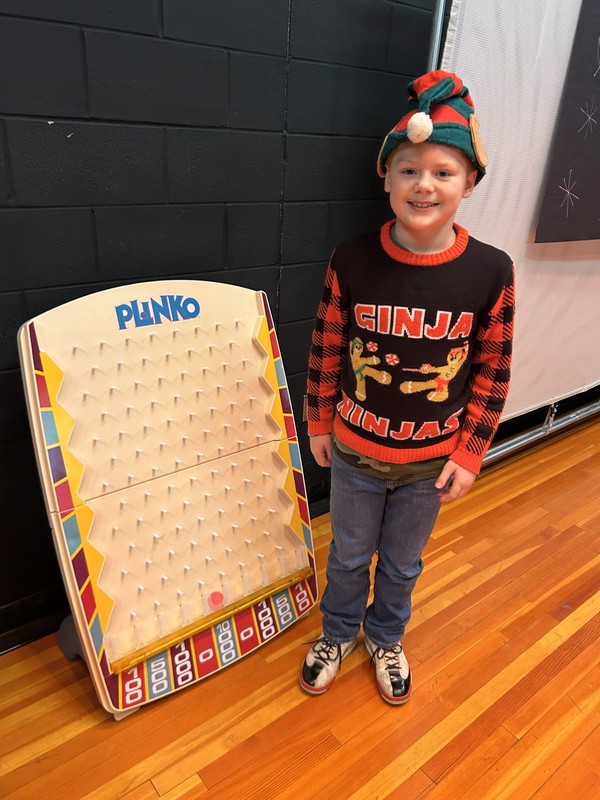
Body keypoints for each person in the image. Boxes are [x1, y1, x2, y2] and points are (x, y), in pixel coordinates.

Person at [300, 70, 515, 705]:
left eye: (443, 172)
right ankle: (338, 632)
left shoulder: (490, 271)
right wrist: (317, 423)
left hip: (429, 463)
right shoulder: (352, 257)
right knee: (346, 555)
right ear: (386, 178)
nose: (425, 185)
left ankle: (385, 636)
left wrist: (471, 451)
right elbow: (327, 346)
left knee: (400, 564)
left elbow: (493, 371)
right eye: (409, 170)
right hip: (354, 451)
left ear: (469, 183)